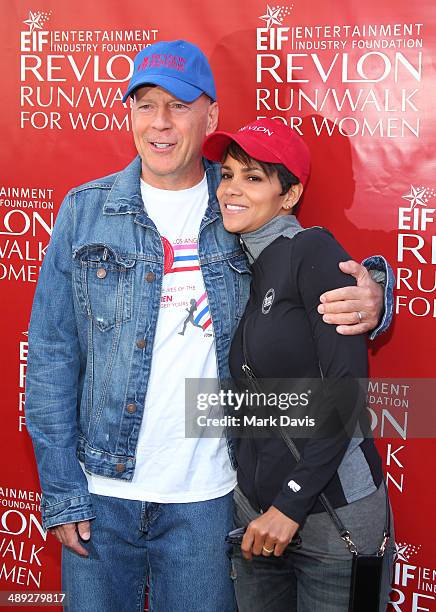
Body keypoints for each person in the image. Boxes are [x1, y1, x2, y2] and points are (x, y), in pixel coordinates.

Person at [25, 40, 393, 612]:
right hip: (101, 496)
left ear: (211, 116)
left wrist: (376, 288)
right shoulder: (85, 210)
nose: (161, 123)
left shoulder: (237, 207)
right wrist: (63, 493)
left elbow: (309, 258)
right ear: (129, 114)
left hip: (211, 499)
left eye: (179, 104)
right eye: (145, 105)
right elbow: (50, 358)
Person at [202, 118, 395, 611]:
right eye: (226, 175)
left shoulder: (313, 251)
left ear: (289, 196)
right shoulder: (241, 267)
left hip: (334, 522)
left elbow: (344, 393)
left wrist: (289, 503)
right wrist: (257, 503)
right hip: (258, 524)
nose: (231, 190)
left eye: (253, 177)